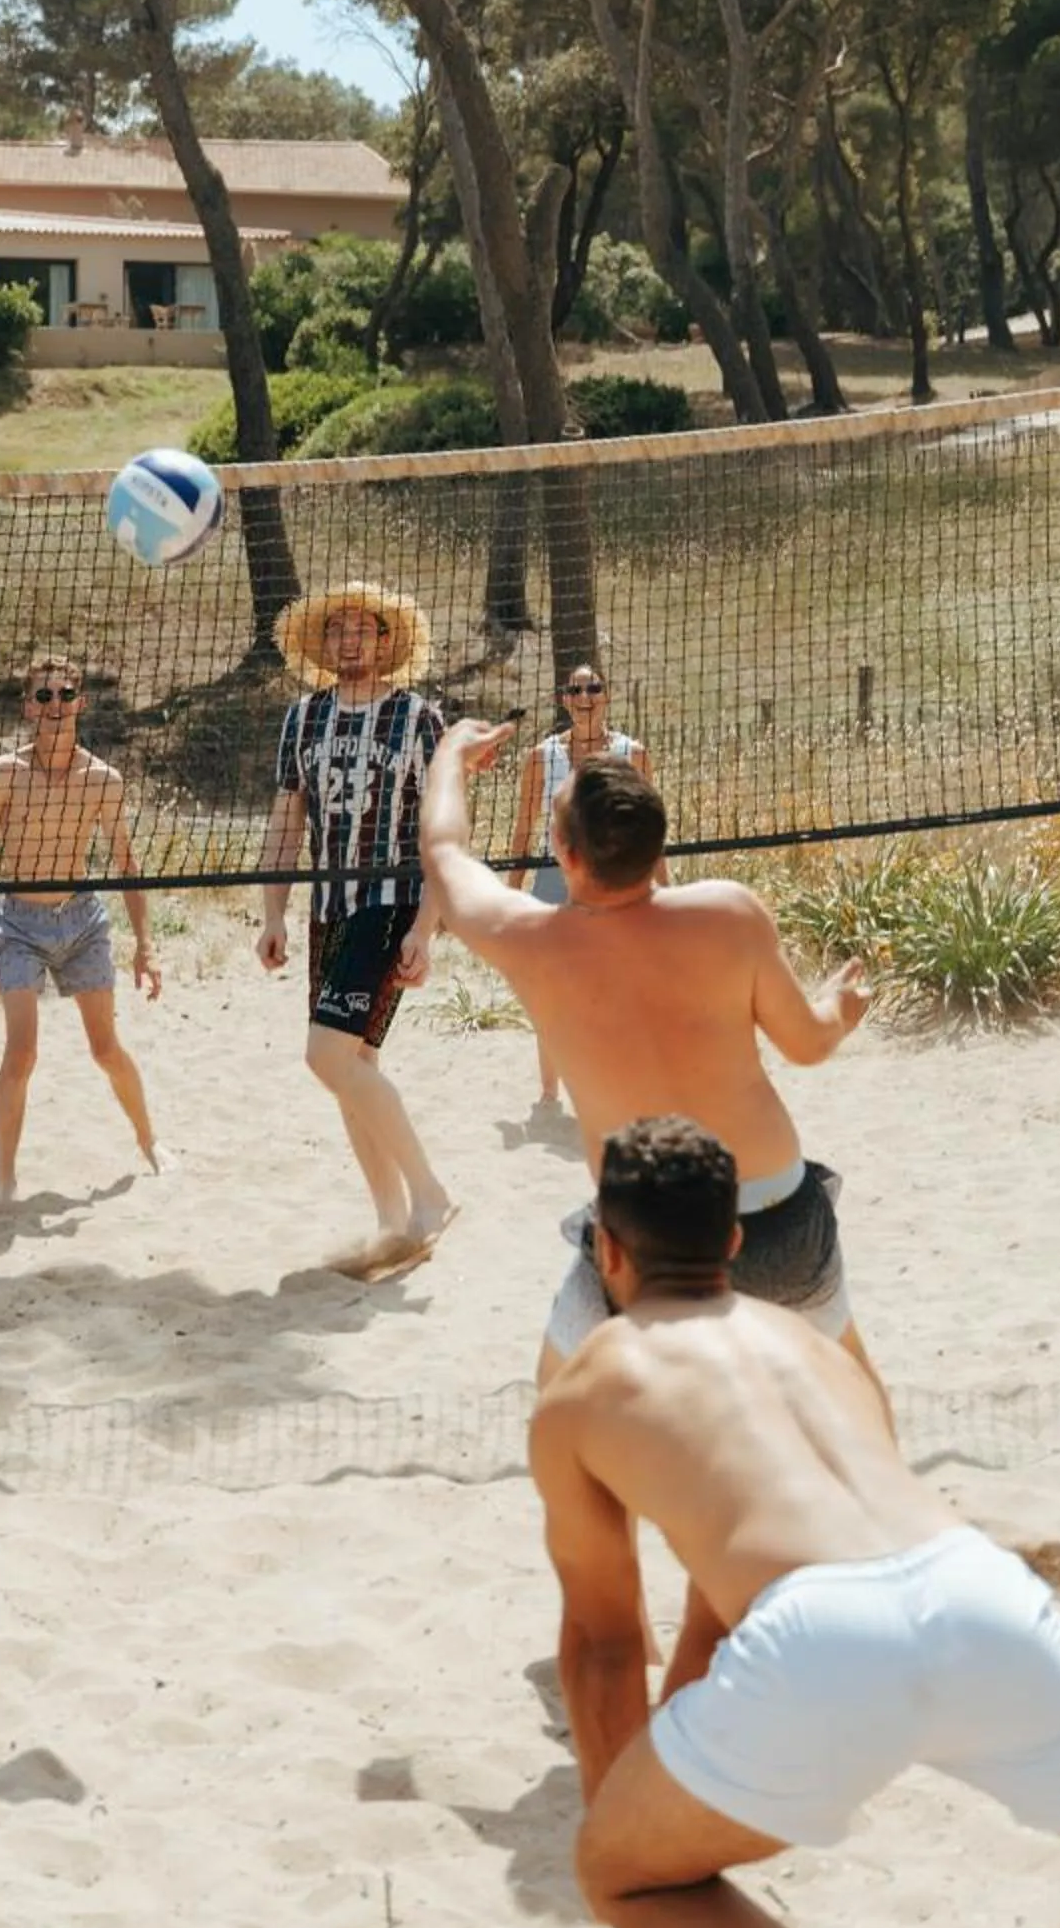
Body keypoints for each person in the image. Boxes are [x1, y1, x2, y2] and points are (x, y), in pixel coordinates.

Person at [531, 1115, 1060, 1928]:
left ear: (610, 1254)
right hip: (981, 1594)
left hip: (821, 1636)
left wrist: (622, 1815)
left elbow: (603, 1646)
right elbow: (721, 1598)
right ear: (733, 1241)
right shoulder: (816, 1351)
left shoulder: (587, 1383)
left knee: (624, 1878)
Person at [418, 719, 875, 1394]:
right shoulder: (730, 912)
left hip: (648, 1241)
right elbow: (808, 1046)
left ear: (565, 855)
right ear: (655, 840)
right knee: (854, 1394)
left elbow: (444, 850)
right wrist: (841, 1008)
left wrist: (451, 754)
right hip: (778, 1213)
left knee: (565, 1416)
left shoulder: (531, 938)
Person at [255, 582, 456, 1280]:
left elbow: (443, 832)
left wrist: (428, 926)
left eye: (362, 629)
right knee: (352, 1069)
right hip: (327, 907)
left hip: (391, 900)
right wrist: (274, 913)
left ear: (384, 641)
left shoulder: (419, 717)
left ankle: (431, 1196)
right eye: (336, 629)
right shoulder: (303, 718)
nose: (349, 639)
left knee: (325, 1057)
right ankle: (391, 1225)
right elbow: (286, 822)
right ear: (324, 644)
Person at [0, 652, 167, 1202]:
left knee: (105, 1050)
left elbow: (127, 863)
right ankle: (5, 1178)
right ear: (30, 706)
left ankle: (149, 1140)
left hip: (81, 921)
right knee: (21, 1054)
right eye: (45, 696)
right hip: (19, 924)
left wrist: (145, 946)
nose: (56, 705)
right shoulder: (2, 774)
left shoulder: (103, 780)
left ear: (82, 702)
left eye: (66, 695)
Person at [508, 658, 657, 1114]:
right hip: (555, 880)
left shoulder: (633, 754)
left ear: (606, 695)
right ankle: (550, 1095)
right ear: (563, 701)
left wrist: (663, 893)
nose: (585, 698)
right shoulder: (541, 756)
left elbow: (652, 831)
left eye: (593, 689)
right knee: (552, 995)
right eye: (575, 691)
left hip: (614, 880)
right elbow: (522, 829)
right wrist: (511, 896)